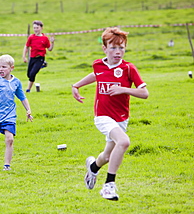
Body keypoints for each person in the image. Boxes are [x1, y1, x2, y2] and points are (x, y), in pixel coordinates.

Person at [71, 27, 149, 201]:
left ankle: (93, 167)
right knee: (124, 141)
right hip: (102, 116)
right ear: (104, 48)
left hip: (121, 118)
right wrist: (76, 85)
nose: (118, 52)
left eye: (121, 47)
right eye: (113, 47)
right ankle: (108, 186)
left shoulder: (129, 68)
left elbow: (145, 94)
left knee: (107, 155)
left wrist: (123, 89)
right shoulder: (98, 64)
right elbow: (96, 74)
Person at [22, 20, 55, 93]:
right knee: (29, 74)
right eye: (34, 28)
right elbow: (26, 46)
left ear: (41, 28)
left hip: (40, 58)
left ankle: (28, 89)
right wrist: (24, 57)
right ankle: (42, 65)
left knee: (32, 74)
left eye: (37, 28)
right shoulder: (31, 37)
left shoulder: (45, 38)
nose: (35, 29)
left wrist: (52, 42)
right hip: (32, 57)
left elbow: (49, 49)